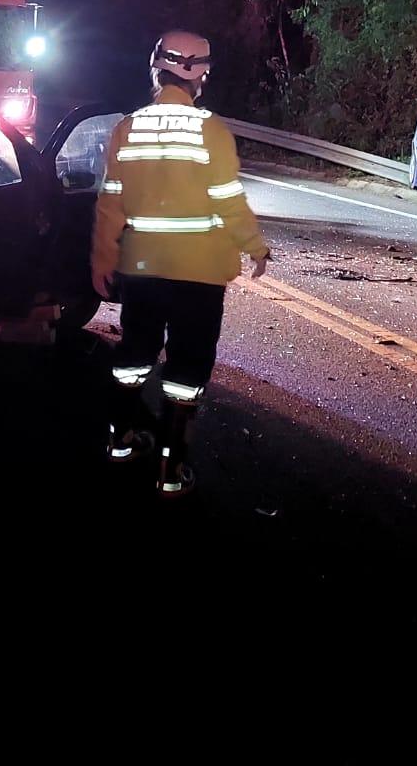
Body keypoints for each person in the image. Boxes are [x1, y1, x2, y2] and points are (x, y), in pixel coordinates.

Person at [90, 30, 272, 497]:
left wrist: (102, 258)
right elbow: (228, 200)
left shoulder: (125, 129)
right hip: (200, 272)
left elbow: (111, 202)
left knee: (134, 353)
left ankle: (119, 440)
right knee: (188, 366)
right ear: (202, 77)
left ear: (155, 70)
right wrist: (254, 245)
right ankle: (171, 470)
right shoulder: (212, 131)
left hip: (142, 267)